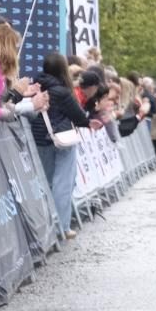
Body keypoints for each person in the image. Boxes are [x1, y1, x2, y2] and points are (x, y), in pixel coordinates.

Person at [28, 51, 92, 241]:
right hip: (62, 140)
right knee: (63, 184)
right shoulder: (63, 92)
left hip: (40, 139)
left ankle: (45, 226)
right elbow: (79, 117)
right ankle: (61, 227)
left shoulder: (35, 88)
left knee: (44, 183)